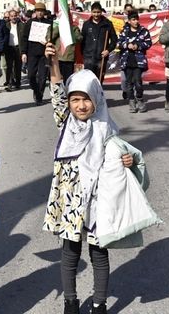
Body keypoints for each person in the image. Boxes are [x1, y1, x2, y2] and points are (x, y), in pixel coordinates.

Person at [41, 46, 141, 314]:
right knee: (70, 253)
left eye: (86, 99)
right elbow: (57, 94)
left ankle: (99, 304)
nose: (80, 105)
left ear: (96, 99)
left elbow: (124, 156)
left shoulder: (106, 128)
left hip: (98, 201)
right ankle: (70, 302)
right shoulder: (65, 123)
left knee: (99, 254)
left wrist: (129, 161)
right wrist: (53, 65)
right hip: (71, 200)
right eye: (75, 100)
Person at [117, 11, 152, 113]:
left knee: (138, 82)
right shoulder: (124, 31)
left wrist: (138, 46)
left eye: (137, 19)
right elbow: (119, 43)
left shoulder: (143, 31)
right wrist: (126, 45)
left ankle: (140, 99)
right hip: (127, 61)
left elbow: (148, 43)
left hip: (139, 61)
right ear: (129, 21)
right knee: (128, 83)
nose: (135, 21)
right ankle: (131, 101)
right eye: (133, 20)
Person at [21, 2, 52, 106]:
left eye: (41, 11)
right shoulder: (29, 23)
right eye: (38, 11)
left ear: (44, 12)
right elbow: (24, 38)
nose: (40, 13)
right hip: (32, 53)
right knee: (31, 76)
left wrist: (49, 42)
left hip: (45, 54)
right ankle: (36, 91)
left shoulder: (49, 23)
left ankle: (39, 96)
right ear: (35, 12)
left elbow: (53, 37)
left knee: (43, 77)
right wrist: (24, 52)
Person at [80, 2, 117, 83]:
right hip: (88, 57)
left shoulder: (107, 24)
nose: (96, 14)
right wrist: (84, 54)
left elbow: (114, 40)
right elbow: (82, 40)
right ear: (91, 12)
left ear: (101, 12)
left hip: (102, 57)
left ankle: (98, 95)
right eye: (94, 12)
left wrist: (108, 50)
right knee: (88, 81)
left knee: (99, 81)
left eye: (98, 12)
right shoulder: (86, 24)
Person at [5, 9, 24, 90]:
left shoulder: (21, 25)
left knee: (17, 67)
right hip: (9, 48)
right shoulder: (6, 25)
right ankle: (9, 83)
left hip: (18, 48)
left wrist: (24, 51)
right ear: (9, 17)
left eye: (15, 16)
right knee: (9, 67)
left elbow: (24, 38)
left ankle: (18, 83)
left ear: (17, 16)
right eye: (11, 16)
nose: (13, 17)